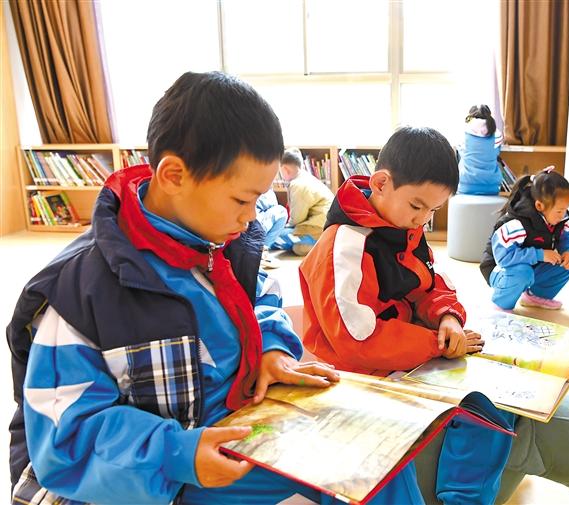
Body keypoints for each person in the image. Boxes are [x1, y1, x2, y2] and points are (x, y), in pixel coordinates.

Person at [6, 71, 423, 505]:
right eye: (242, 200)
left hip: (238, 425)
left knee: (381, 460)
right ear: (174, 176)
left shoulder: (227, 240)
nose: (251, 217)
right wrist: (177, 454)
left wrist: (271, 349)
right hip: (162, 471)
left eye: (259, 200)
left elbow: (262, 297)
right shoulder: (80, 291)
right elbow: (64, 440)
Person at [299, 126, 517, 504]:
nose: (423, 220)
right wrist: (435, 344)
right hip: (357, 376)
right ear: (381, 183)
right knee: (384, 464)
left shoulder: (404, 228)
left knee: (492, 410)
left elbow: (430, 284)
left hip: (409, 359)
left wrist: (448, 317)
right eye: (417, 206)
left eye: (433, 210)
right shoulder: (345, 244)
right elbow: (357, 341)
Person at [479, 166, 569, 310]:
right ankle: (502, 306)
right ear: (539, 205)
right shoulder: (517, 223)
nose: (563, 215)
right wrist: (540, 254)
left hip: (530, 267)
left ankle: (534, 297)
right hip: (500, 269)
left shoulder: (557, 220)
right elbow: (504, 258)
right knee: (523, 272)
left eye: (566, 210)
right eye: (559, 211)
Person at [270, 147, 334, 256]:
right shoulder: (307, 178)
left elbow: (297, 217)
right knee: (284, 236)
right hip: (325, 227)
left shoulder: (297, 184)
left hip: (316, 229)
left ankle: (313, 245)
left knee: (276, 236)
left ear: (285, 169)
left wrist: (286, 226)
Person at [456, 104, 504, 195]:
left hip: (466, 185)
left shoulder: (463, 133)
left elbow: (461, 150)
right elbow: (497, 151)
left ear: (470, 116)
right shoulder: (497, 134)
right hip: (492, 186)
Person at [256, 189, 288, 269]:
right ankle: (262, 251)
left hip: (234, 230)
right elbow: (271, 204)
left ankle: (259, 251)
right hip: (252, 229)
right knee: (281, 211)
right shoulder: (264, 188)